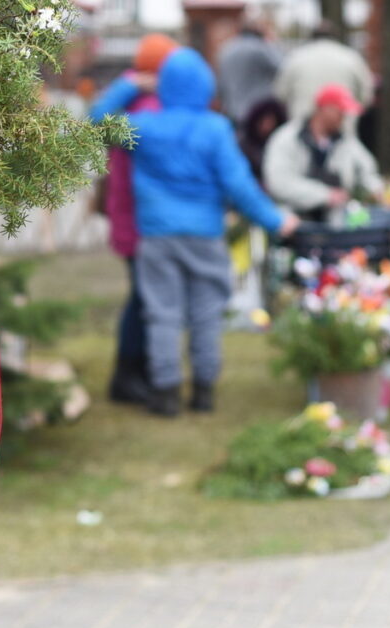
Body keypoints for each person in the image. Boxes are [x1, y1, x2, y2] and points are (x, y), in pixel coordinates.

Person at [91, 47, 299, 416]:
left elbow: (95, 121)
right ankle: (203, 392)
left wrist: (132, 83)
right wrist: (275, 220)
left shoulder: (144, 126)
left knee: (162, 314)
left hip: (157, 238)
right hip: (205, 237)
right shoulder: (215, 129)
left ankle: (166, 393)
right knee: (206, 314)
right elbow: (239, 185)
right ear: (205, 86)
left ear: (164, 85)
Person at [92, 32, 178, 405]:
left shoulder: (149, 102)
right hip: (138, 217)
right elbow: (94, 120)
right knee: (145, 298)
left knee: (146, 296)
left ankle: (137, 371)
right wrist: (132, 84)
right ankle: (128, 377)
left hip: (141, 214)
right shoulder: (137, 104)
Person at [261, 83, 383, 221]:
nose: (344, 117)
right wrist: (326, 196)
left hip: (336, 222)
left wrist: (379, 191)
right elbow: (279, 183)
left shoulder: (347, 142)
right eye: (340, 111)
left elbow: (367, 172)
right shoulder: (286, 138)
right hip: (291, 220)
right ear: (324, 109)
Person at [272, 25, 374, 124]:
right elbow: (367, 95)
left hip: (300, 121)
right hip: (344, 125)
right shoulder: (351, 57)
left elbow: (280, 94)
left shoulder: (296, 57)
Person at [215, 17, 281, 124]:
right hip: (257, 114)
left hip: (232, 111)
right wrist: (271, 42)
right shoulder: (260, 48)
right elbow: (280, 67)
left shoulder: (226, 49)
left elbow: (221, 84)